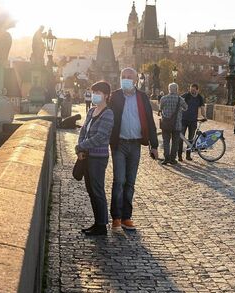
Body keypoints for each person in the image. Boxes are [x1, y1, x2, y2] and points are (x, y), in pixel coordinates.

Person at [109, 67, 159, 231]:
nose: (126, 79)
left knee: (130, 182)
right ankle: (116, 217)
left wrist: (154, 145)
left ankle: (126, 217)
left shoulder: (142, 97)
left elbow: (150, 122)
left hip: (136, 143)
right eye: (124, 76)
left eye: (130, 77)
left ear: (136, 80)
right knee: (119, 180)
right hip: (119, 143)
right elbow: (108, 118)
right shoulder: (115, 96)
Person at [76, 81, 114, 236]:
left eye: (98, 92)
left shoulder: (108, 113)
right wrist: (80, 147)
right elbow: (84, 130)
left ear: (106, 95)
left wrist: (82, 146)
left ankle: (102, 225)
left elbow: (101, 136)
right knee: (91, 190)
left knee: (97, 190)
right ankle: (97, 222)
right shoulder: (92, 111)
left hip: (98, 157)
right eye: (94, 92)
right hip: (86, 156)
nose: (95, 95)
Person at [160, 83, 188, 165]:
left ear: (169, 89)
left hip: (165, 124)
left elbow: (160, 108)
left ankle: (166, 158)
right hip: (177, 124)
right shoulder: (180, 99)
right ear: (176, 89)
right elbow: (186, 108)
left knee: (166, 142)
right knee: (175, 142)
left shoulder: (163, 98)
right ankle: (173, 159)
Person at [178, 84, 207, 162]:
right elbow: (178, 102)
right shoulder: (186, 95)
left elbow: (202, 108)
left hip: (193, 121)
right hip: (183, 120)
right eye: (191, 90)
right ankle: (179, 155)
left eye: (193, 90)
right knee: (181, 138)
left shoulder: (199, 97)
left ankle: (188, 155)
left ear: (197, 90)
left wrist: (204, 116)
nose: (192, 91)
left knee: (190, 139)